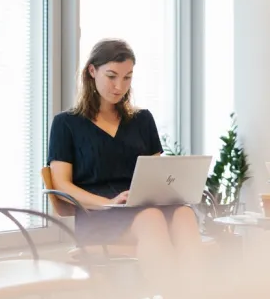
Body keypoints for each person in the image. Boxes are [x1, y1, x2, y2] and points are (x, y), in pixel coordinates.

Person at [47, 38, 204, 295]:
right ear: (92, 71)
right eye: (112, 76)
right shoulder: (66, 124)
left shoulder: (142, 119)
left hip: (143, 206)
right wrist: (108, 202)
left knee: (185, 214)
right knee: (152, 219)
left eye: (127, 77)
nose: (119, 86)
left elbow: (158, 175)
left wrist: (173, 188)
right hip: (98, 213)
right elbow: (61, 184)